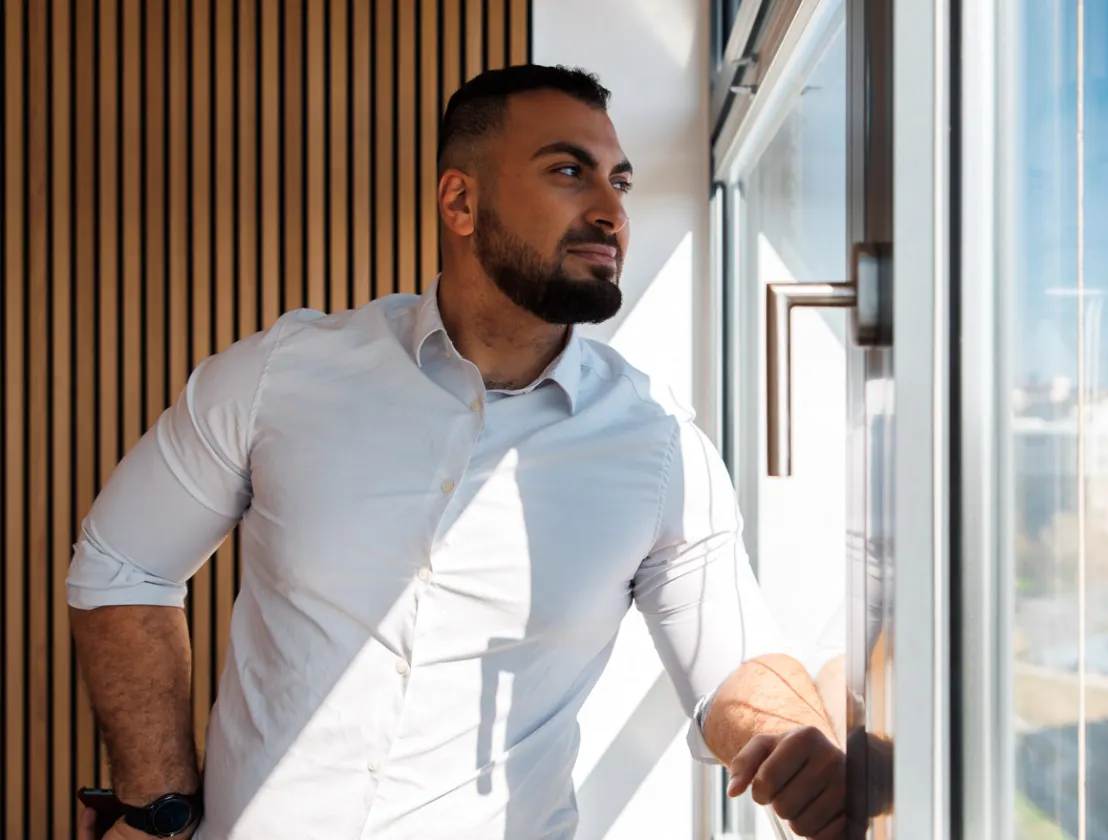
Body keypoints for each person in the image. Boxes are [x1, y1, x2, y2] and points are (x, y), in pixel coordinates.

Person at [66, 65, 846, 840]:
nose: (611, 210)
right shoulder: (282, 374)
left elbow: (735, 669)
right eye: (569, 172)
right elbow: (120, 562)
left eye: (621, 182)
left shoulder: (660, 443)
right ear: (461, 201)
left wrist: (791, 741)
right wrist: (157, 805)